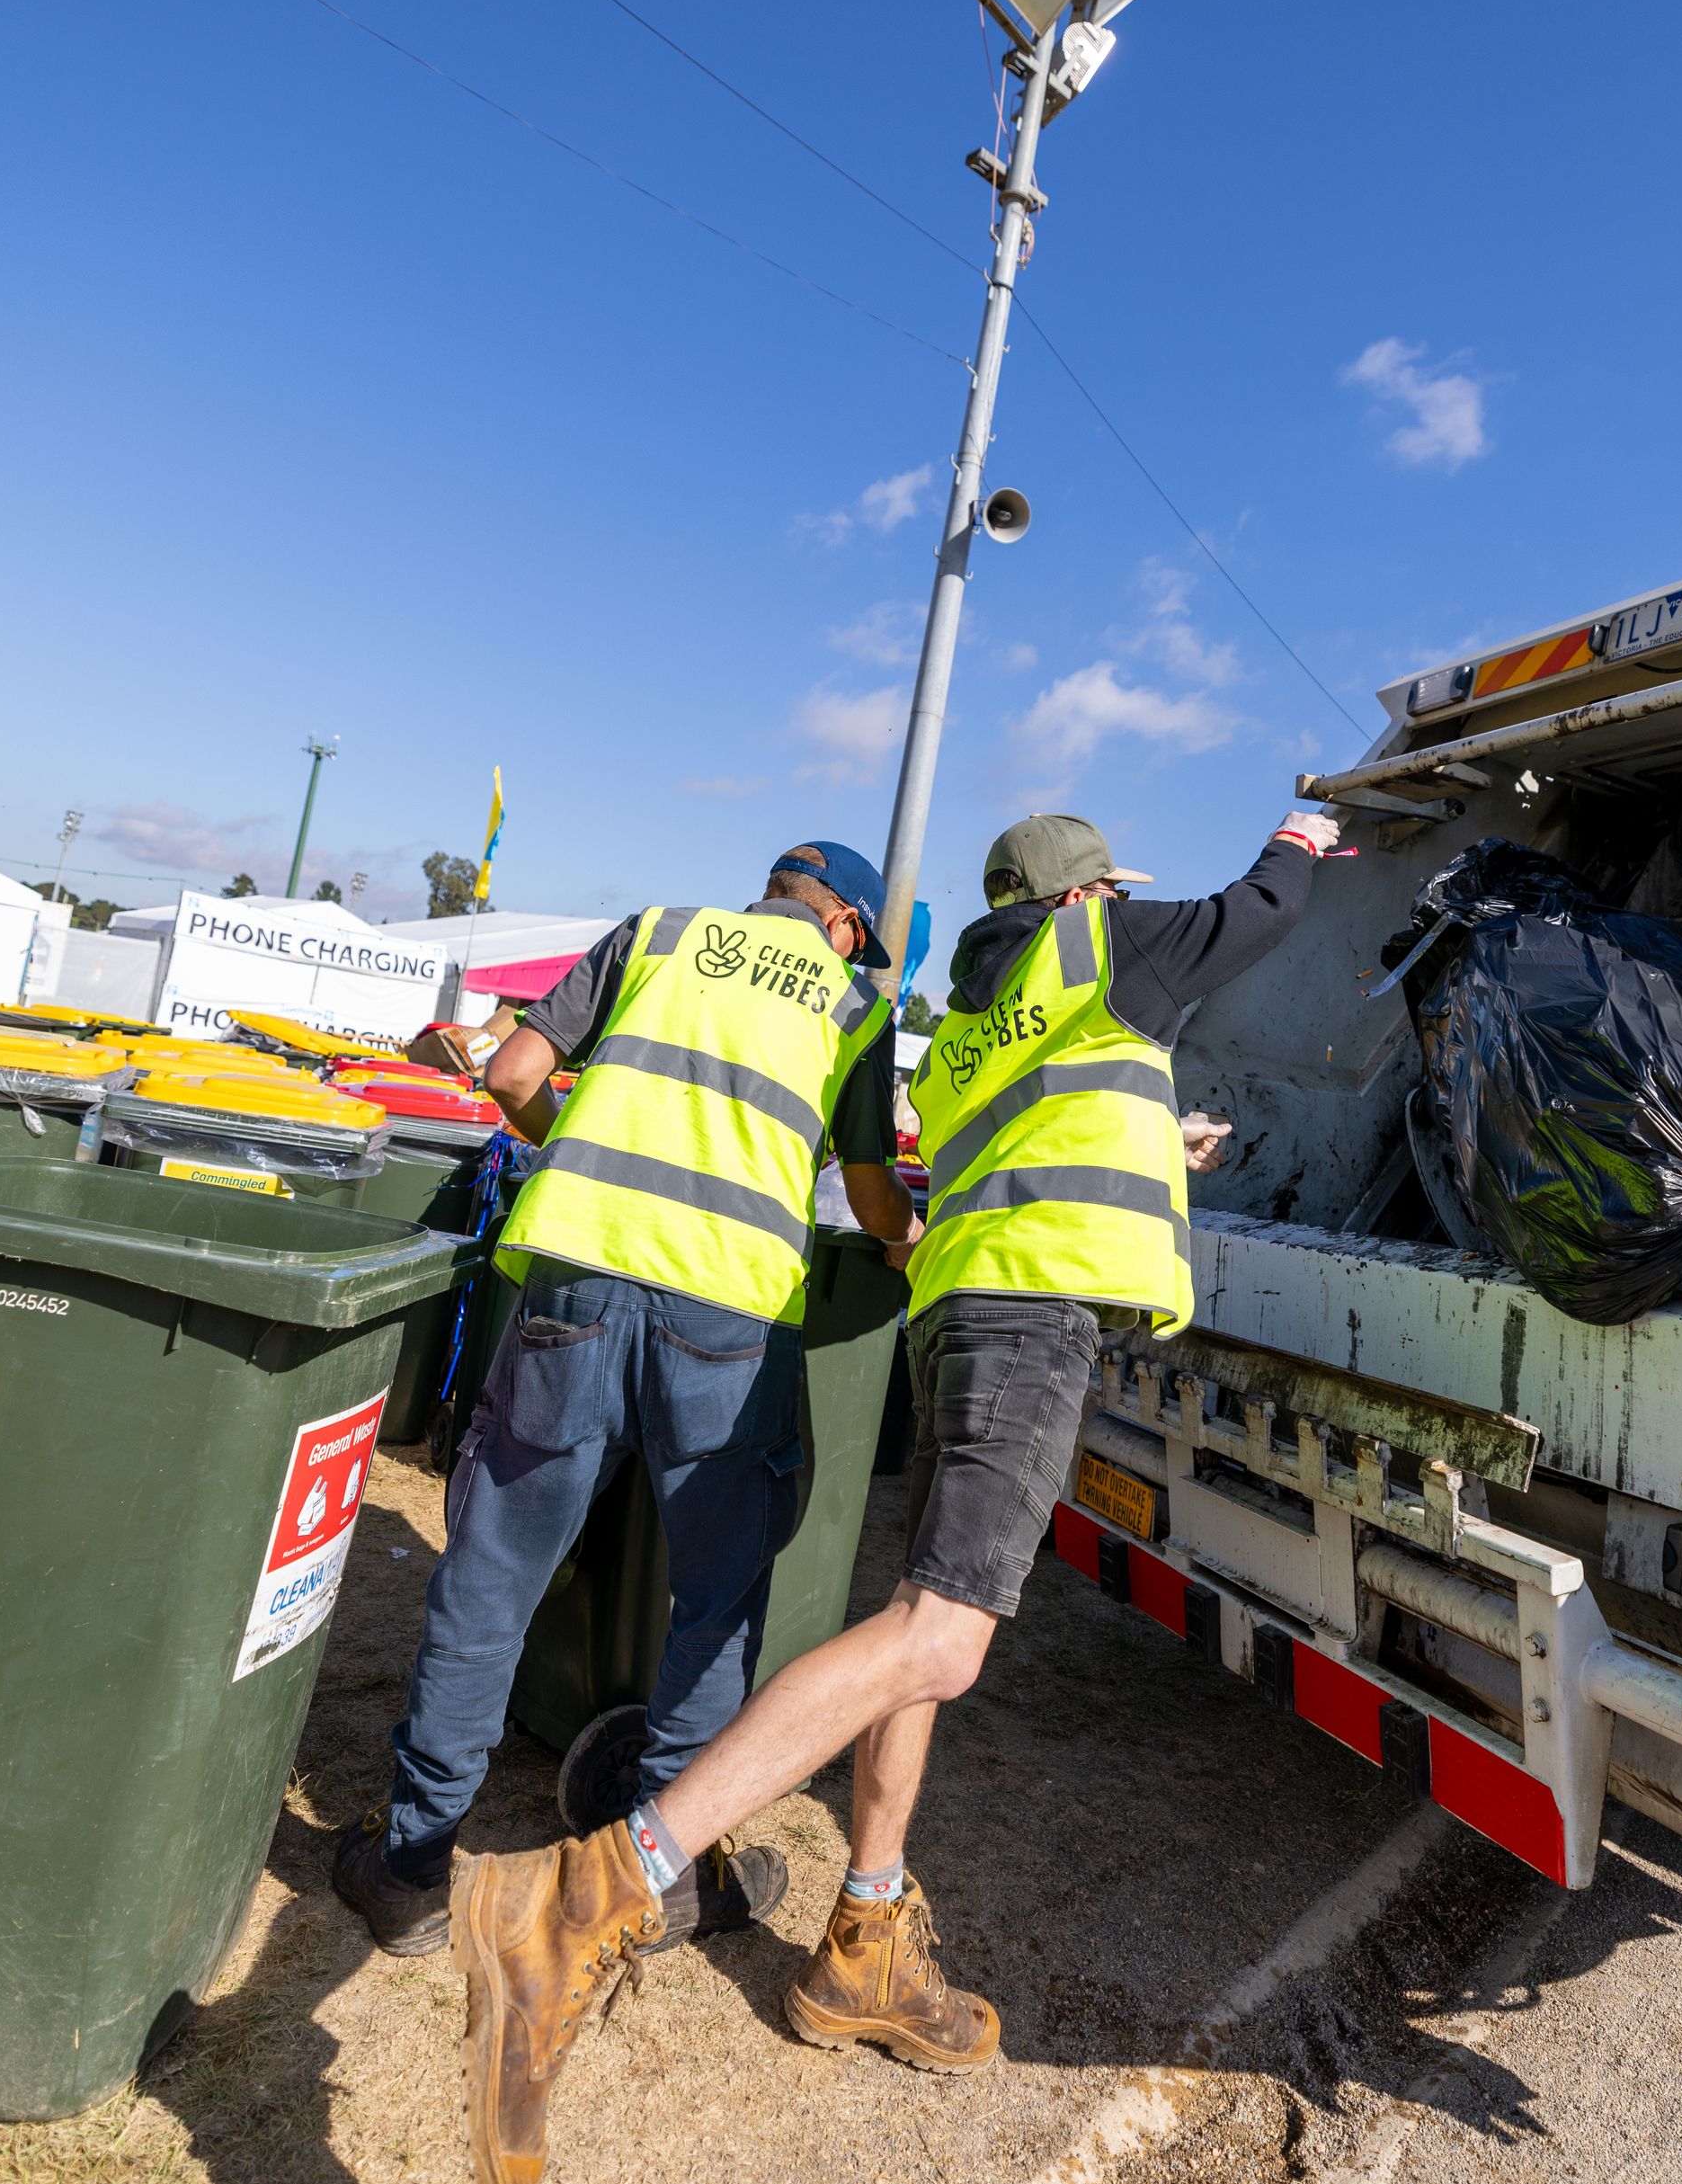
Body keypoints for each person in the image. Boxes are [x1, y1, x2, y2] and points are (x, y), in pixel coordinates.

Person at [441, 806, 1339, 2182]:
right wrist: (1307, 828)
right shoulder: (1103, 940)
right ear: (1087, 889)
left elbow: (1037, 1140)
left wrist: (1170, 1144)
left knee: (921, 1640)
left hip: (962, 1307)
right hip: (1032, 1314)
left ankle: (864, 1931)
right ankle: (604, 1879)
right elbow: (1259, 915)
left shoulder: (986, 1001)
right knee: (943, 1633)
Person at [334, 842, 921, 1975]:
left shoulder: (655, 934)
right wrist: (908, 1240)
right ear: (845, 922)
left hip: (576, 1284)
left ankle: (410, 1865)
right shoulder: (853, 1001)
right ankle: (659, 1878)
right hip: (731, 1319)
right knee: (713, 1601)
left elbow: (510, 1078)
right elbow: (862, 1184)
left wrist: (576, 1138)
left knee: (493, 1572)